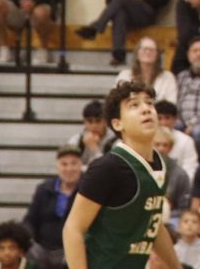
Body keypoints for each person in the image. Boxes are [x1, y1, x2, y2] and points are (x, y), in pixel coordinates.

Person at [62, 80, 181, 269]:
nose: (146, 109)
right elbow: (73, 229)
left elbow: (154, 225)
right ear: (117, 124)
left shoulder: (160, 165)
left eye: (149, 103)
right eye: (134, 105)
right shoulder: (108, 167)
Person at [23, 144, 82, 269]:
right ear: (58, 166)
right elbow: (30, 219)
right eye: (64, 164)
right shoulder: (44, 189)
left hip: (73, 248)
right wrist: (29, 240)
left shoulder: (88, 190)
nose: (69, 169)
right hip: (43, 248)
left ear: (80, 165)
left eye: (73, 163)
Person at [116, 36, 177, 104]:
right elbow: (118, 102)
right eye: (145, 49)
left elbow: (171, 105)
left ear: (157, 55)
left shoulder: (168, 77)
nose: (148, 52)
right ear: (137, 53)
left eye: (152, 50)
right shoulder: (124, 76)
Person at [153, 127, 192, 228]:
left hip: (172, 218)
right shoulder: (141, 169)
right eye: (157, 144)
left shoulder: (180, 174)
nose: (161, 148)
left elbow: (184, 208)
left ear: (171, 148)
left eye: (165, 145)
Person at [155, 101, 199, 179]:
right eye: (159, 118)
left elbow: (190, 171)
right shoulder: (145, 139)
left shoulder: (186, 141)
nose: (163, 122)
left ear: (175, 119)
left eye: (167, 118)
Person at [66, 100, 112, 167]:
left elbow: (108, 170)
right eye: (90, 121)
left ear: (106, 122)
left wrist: (94, 148)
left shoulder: (116, 142)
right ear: (84, 122)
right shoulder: (76, 140)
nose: (94, 126)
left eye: (98, 121)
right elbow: (68, 167)